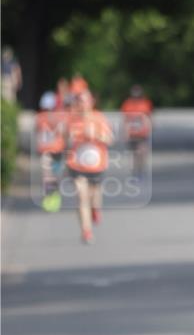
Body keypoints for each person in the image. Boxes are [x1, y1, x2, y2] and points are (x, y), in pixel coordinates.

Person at [64, 89, 113, 244]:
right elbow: (64, 141)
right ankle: (86, 231)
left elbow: (110, 139)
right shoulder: (71, 119)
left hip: (96, 165)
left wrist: (96, 136)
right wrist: (72, 139)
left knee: (94, 196)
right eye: (79, 101)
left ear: (91, 102)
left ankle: (95, 209)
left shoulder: (99, 118)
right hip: (76, 164)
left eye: (85, 100)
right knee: (81, 196)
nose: (82, 104)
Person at [35, 91, 67, 211]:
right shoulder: (40, 118)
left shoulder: (58, 116)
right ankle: (50, 197)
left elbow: (64, 132)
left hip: (57, 150)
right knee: (48, 176)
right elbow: (38, 132)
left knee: (55, 176)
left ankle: (54, 195)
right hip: (46, 151)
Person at [120, 85, 153, 176]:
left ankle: (141, 169)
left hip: (142, 133)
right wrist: (125, 132)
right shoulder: (127, 103)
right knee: (134, 153)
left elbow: (149, 117)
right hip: (132, 133)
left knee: (142, 151)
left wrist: (150, 127)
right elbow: (125, 119)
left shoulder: (146, 103)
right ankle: (135, 170)